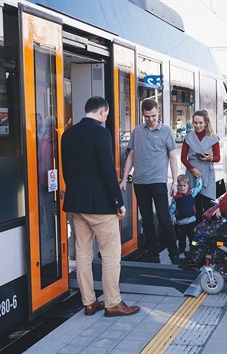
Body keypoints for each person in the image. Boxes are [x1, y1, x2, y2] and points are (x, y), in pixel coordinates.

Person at [61, 96, 139, 317]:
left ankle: (89, 302)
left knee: (83, 254)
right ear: (103, 112)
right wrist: (119, 202)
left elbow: (67, 170)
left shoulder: (68, 134)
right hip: (100, 207)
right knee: (111, 254)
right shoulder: (101, 133)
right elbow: (107, 170)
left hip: (76, 205)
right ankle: (113, 302)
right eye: (106, 114)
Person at [120, 99, 181, 264]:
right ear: (142, 115)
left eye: (153, 116)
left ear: (158, 112)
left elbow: (173, 157)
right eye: (147, 117)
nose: (151, 120)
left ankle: (174, 254)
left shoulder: (166, 131)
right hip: (140, 182)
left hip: (158, 181)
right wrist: (124, 179)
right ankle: (153, 255)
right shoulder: (137, 131)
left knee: (164, 218)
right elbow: (131, 155)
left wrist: (175, 182)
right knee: (146, 220)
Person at [181, 110, 220, 219]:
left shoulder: (213, 138)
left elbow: (218, 158)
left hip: (207, 173)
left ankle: (207, 232)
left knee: (208, 205)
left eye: (200, 123)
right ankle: (195, 232)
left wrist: (210, 158)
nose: (198, 126)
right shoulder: (188, 137)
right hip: (192, 173)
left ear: (206, 123)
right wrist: (192, 169)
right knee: (194, 205)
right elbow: (183, 158)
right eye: (195, 123)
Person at [170, 175, 203, 257]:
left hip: (191, 221)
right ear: (177, 185)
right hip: (180, 222)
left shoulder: (191, 193)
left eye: (184, 185)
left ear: (188, 186)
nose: (182, 188)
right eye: (180, 186)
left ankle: (194, 247)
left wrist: (198, 178)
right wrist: (173, 217)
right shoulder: (175, 197)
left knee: (192, 237)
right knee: (181, 238)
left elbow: (199, 187)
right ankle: (181, 248)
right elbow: (172, 208)